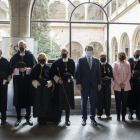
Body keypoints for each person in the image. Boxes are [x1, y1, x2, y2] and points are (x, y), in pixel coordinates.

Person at [9, 40, 37, 127]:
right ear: (18, 46)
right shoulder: (15, 56)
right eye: (19, 45)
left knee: (28, 97)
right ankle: (18, 117)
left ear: (25, 46)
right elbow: (10, 67)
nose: (21, 46)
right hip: (18, 81)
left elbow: (34, 66)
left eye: (22, 45)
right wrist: (18, 70)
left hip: (27, 80)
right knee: (18, 97)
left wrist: (26, 70)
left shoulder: (30, 55)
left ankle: (28, 117)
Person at [75, 45, 101, 126]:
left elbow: (98, 73)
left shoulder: (96, 60)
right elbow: (78, 73)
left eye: (90, 49)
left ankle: (92, 118)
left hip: (93, 85)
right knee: (84, 102)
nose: (89, 51)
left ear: (93, 51)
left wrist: (99, 83)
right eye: (87, 49)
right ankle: (84, 118)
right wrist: (78, 84)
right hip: (84, 85)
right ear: (85, 50)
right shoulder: (81, 60)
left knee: (93, 102)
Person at [50, 47, 75, 126]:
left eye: (65, 52)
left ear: (67, 53)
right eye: (62, 52)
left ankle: (67, 119)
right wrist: (57, 79)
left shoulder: (71, 61)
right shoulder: (56, 62)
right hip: (59, 84)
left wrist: (70, 77)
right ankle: (58, 118)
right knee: (59, 101)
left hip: (68, 84)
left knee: (68, 102)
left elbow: (74, 73)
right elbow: (51, 73)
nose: (63, 53)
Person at [30, 53, 52, 125]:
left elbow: (51, 77)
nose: (41, 58)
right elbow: (32, 77)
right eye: (40, 57)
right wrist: (36, 82)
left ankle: (45, 118)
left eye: (42, 57)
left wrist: (49, 83)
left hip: (46, 87)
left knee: (45, 102)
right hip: (38, 87)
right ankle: (39, 118)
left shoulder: (48, 67)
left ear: (45, 58)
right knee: (38, 102)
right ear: (38, 59)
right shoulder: (35, 67)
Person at [113, 52, 131, 122]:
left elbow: (129, 74)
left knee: (124, 102)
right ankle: (118, 116)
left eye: (122, 55)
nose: (121, 56)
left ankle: (123, 116)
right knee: (118, 102)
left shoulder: (128, 64)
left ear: (125, 56)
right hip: (118, 86)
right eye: (120, 55)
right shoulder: (115, 64)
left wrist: (124, 83)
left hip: (126, 86)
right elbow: (114, 74)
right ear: (118, 56)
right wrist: (120, 83)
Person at [96, 52, 113, 120]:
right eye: (102, 56)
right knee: (99, 99)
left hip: (107, 85)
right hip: (100, 85)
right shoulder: (97, 65)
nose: (103, 58)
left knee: (107, 99)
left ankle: (108, 113)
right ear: (99, 57)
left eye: (104, 56)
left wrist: (110, 78)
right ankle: (99, 113)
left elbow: (111, 75)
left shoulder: (109, 65)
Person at [127, 49, 140, 120]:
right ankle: (130, 113)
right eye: (135, 53)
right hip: (131, 82)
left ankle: (138, 114)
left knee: (138, 99)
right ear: (133, 53)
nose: (137, 54)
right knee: (131, 97)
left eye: (138, 53)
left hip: (138, 82)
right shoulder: (130, 60)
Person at [0, 49, 10, 125]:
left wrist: (6, 79)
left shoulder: (5, 61)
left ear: (1, 53)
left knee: (3, 100)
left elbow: (9, 71)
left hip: (3, 83)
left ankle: (3, 118)